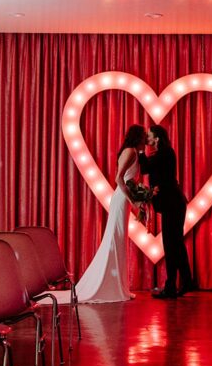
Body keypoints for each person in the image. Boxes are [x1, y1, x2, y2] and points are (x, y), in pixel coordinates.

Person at [75, 124, 147, 303]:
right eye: (144, 137)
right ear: (138, 137)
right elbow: (118, 179)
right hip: (122, 198)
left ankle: (119, 286)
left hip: (124, 199)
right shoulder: (130, 151)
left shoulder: (133, 152)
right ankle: (112, 286)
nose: (146, 140)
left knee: (119, 240)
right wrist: (134, 200)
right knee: (116, 238)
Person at [139, 124, 194, 300]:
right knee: (175, 244)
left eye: (148, 136)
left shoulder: (165, 153)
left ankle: (173, 286)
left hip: (173, 204)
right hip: (172, 204)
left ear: (157, 138)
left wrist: (140, 151)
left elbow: (145, 167)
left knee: (172, 245)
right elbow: (148, 168)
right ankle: (185, 281)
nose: (146, 139)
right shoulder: (163, 153)